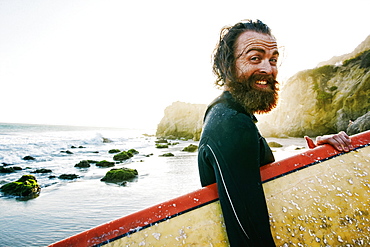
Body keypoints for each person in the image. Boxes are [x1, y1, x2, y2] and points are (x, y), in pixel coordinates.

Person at [197, 19, 353, 247]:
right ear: (227, 65)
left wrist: (312, 156)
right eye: (254, 58)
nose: (268, 69)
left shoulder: (225, 113)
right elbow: (248, 234)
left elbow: (254, 178)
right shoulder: (232, 124)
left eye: (273, 60)